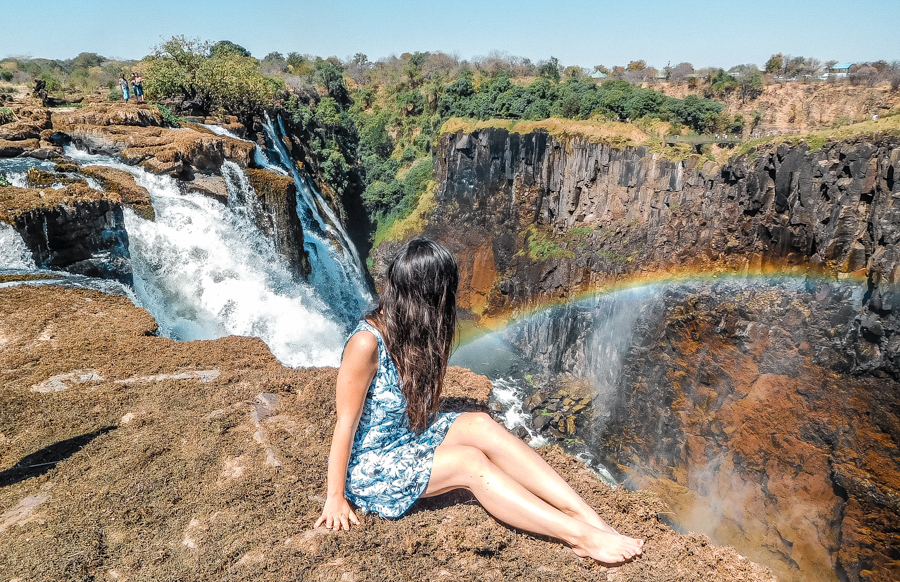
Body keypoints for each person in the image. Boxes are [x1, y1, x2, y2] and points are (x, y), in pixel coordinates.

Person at [315, 238, 644, 564]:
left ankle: (587, 517)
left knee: (480, 423)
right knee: (468, 461)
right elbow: (345, 426)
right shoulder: (365, 344)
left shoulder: (415, 328)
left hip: (409, 433)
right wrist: (335, 498)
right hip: (373, 464)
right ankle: (580, 537)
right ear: (428, 294)